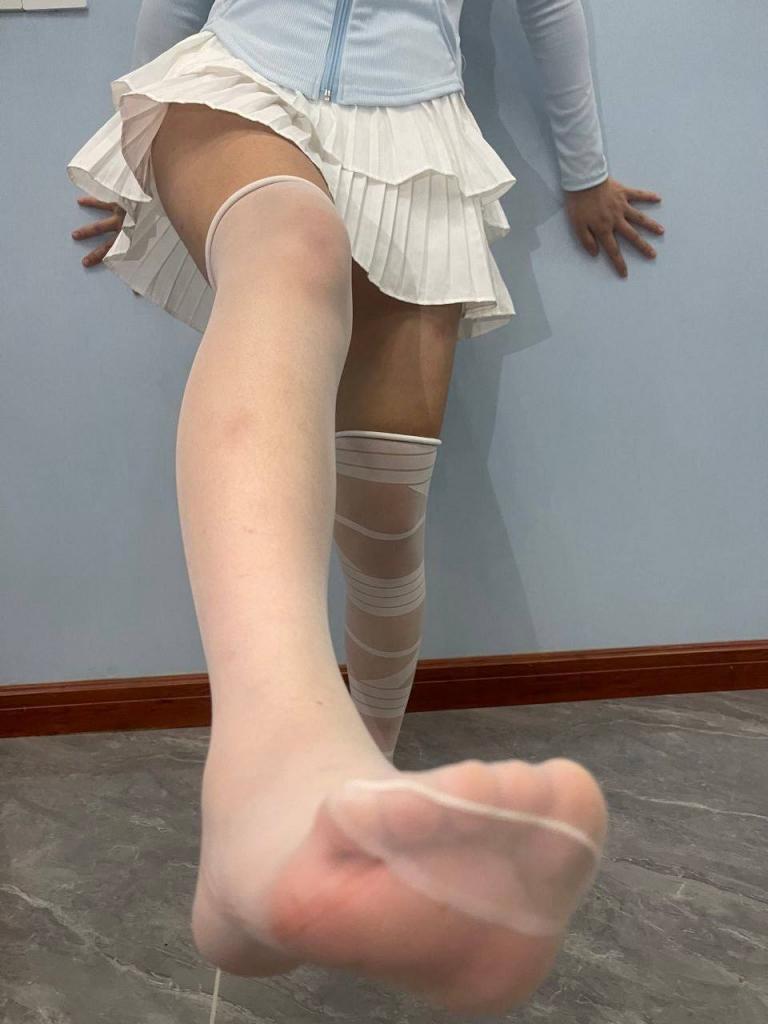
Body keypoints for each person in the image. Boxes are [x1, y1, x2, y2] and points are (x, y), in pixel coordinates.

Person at [66, 0, 663, 1014]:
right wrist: (136, 165)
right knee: (293, 249)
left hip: (415, 131)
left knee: (387, 511)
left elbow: (550, 6)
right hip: (241, 86)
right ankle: (270, 781)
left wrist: (585, 170)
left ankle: (356, 790)